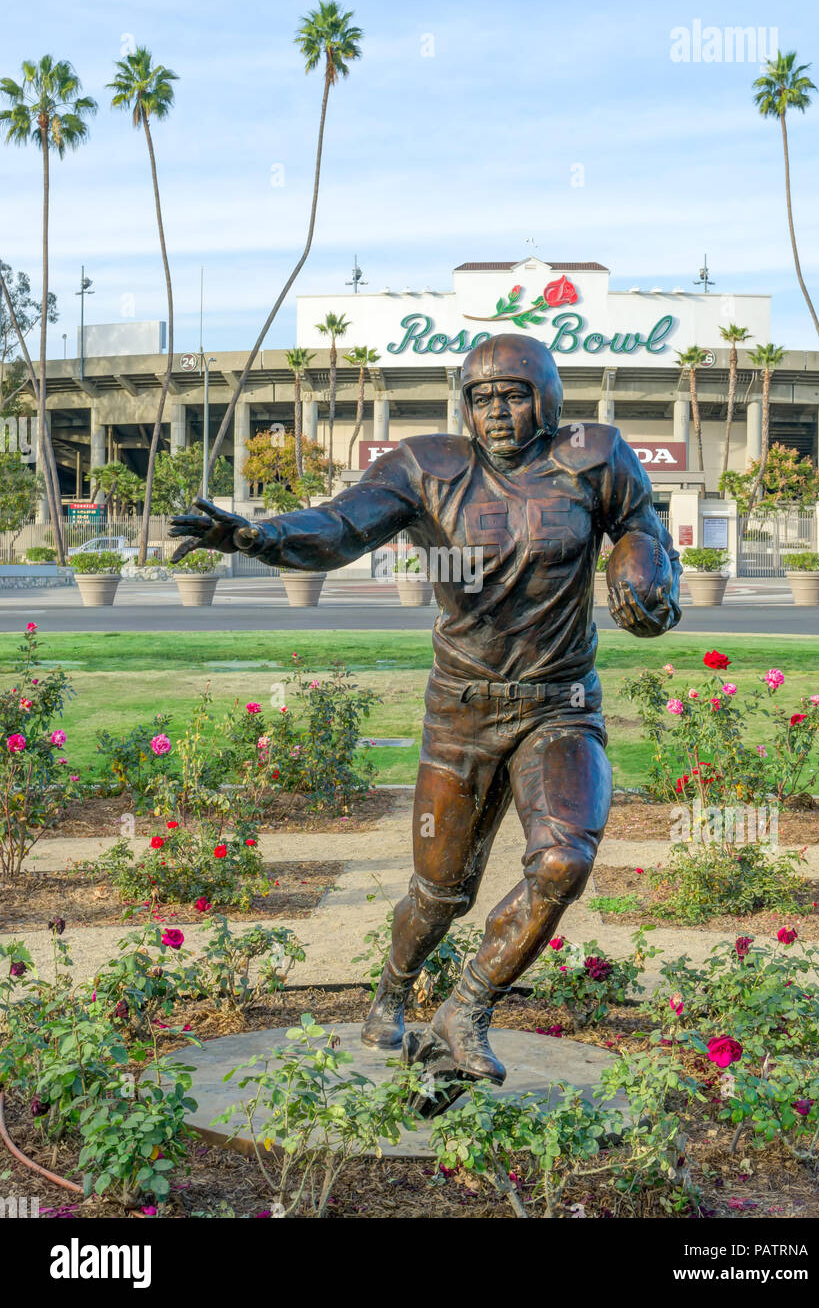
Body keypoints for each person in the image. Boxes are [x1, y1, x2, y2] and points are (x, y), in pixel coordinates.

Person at [170, 334, 681, 1083]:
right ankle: (393, 988)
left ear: (548, 396)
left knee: (565, 858)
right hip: (463, 714)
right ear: (462, 404)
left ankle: (467, 1008)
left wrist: (638, 567)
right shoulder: (425, 467)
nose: (497, 410)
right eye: (481, 396)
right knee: (441, 894)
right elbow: (342, 526)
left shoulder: (596, 455)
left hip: (560, 706)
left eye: (513, 393)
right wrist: (261, 536)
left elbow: (643, 527)